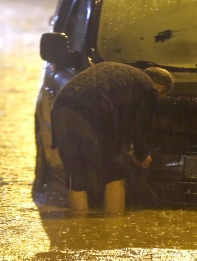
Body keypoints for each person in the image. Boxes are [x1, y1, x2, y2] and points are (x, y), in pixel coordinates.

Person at [50, 62, 173, 214]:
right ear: (160, 88)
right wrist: (142, 156)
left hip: (61, 109)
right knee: (115, 173)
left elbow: (122, 119)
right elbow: (141, 128)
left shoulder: (120, 74)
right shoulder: (149, 88)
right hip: (94, 114)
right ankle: (114, 228)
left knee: (75, 173)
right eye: (162, 97)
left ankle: (78, 227)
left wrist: (128, 148)